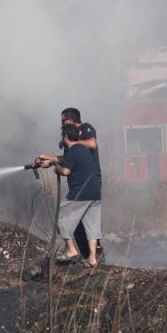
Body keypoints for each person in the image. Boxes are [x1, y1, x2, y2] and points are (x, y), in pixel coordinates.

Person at [36, 107, 103, 261]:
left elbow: (92, 144)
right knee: (83, 222)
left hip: (86, 182)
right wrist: (48, 159)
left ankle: (88, 253)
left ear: (72, 120)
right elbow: (68, 160)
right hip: (82, 184)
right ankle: (89, 256)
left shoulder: (86, 128)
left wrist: (71, 140)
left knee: (69, 218)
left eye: (64, 120)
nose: (61, 122)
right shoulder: (72, 146)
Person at [51, 124, 102, 267]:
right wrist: (51, 161)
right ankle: (92, 258)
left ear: (66, 137)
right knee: (92, 226)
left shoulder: (72, 151)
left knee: (61, 218)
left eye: (63, 137)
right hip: (95, 194)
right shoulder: (85, 151)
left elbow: (66, 171)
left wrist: (56, 169)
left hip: (80, 193)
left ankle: (71, 250)